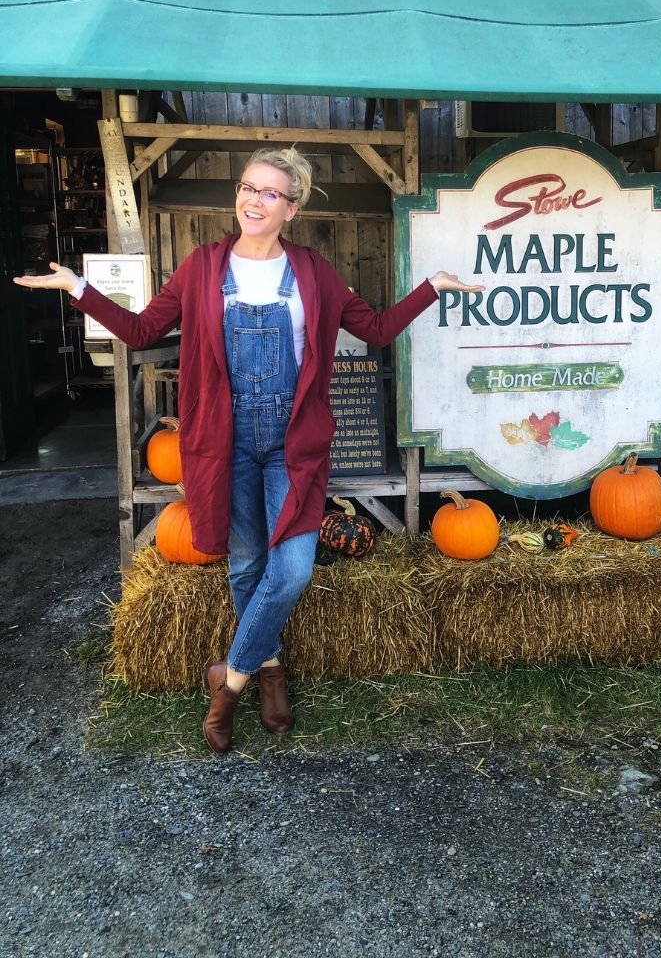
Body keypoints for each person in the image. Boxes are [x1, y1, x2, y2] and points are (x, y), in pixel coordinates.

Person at [14, 147, 482, 753]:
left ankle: (228, 681)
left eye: (268, 193)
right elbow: (140, 332)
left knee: (292, 569)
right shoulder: (202, 267)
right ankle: (270, 672)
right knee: (247, 566)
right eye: (247, 188)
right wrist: (78, 287)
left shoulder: (314, 272)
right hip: (224, 441)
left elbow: (377, 331)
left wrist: (432, 288)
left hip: (292, 441)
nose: (252, 200)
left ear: (292, 207)